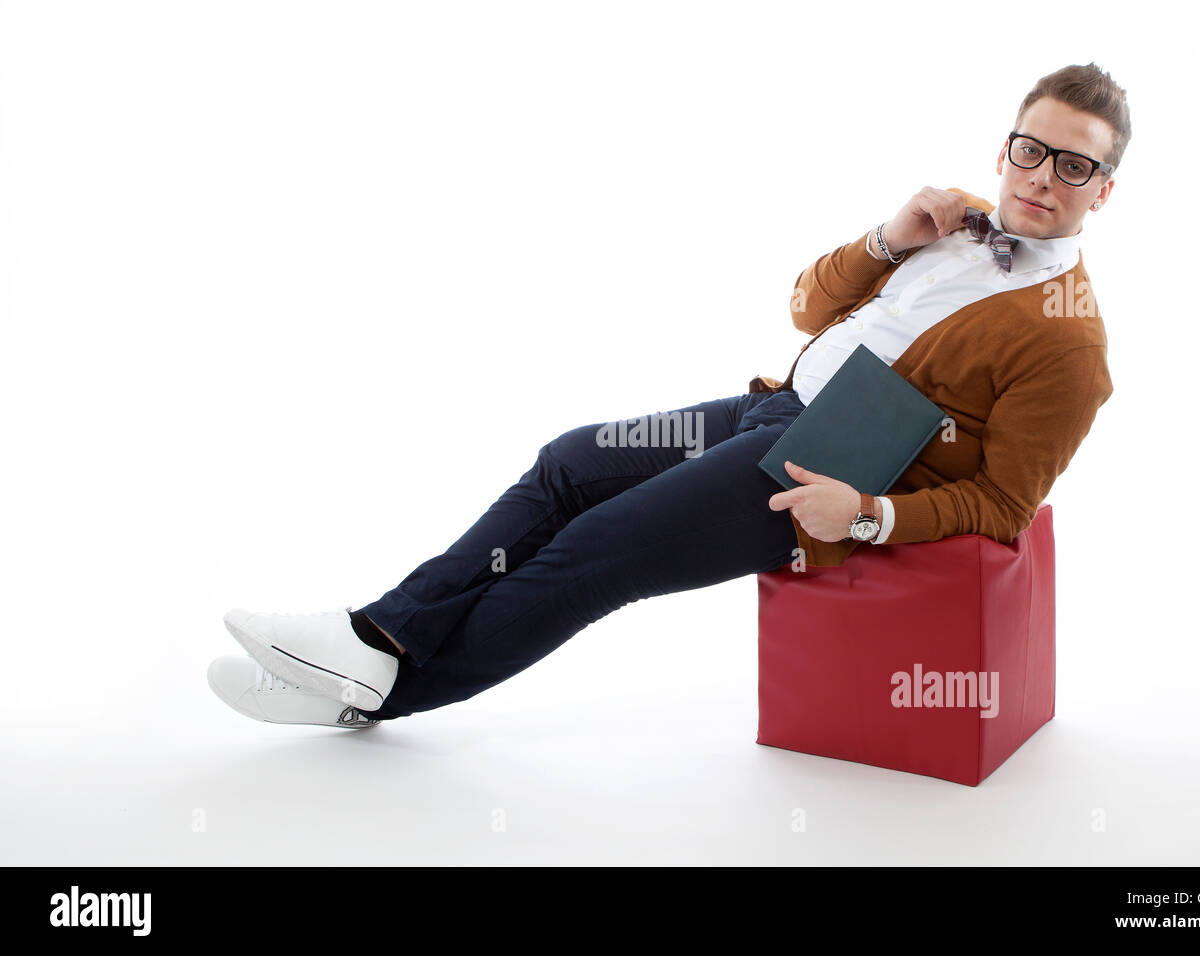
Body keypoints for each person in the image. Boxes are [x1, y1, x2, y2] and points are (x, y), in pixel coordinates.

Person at [208, 62, 1128, 729]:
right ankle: (375, 645)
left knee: (597, 549)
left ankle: (382, 688)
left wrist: (869, 515)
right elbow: (807, 304)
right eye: (1030, 150)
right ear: (1005, 148)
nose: (1043, 176)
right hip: (768, 403)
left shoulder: (1070, 344)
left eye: (1074, 165)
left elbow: (1005, 505)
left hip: (822, 465)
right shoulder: (950, 217)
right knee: (571, 461)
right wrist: (890, 237)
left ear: (1105, 191)